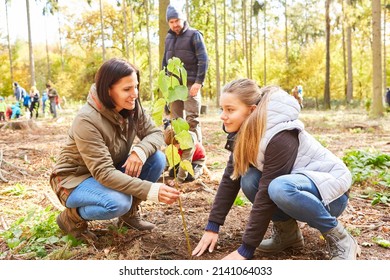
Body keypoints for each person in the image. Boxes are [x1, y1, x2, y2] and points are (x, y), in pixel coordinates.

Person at [192, 79, 360, 260]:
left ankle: (341, 238)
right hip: (295, 188)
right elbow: (230, 179)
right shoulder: (243, 132)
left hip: (330, 196)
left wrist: (246, 249)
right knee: (248, 178)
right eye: (222, 109)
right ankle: (288, 236)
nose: (223, 116)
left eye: (230, 110)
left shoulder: (280, 134)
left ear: (252, 110)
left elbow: (266, 192)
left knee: (278, 188)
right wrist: (213, 226)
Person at [49, 58, 180, 242]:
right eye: (127, 89)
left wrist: (139, 151)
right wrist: (150, 190)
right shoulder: (86, 120)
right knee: (118, 203)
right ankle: (71, 218)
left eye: (136, 86)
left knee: (156, 158)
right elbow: (103, 173)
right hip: (74, 180)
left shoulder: (131, 106)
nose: (134, 94)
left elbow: (155, 133)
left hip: (108, 169)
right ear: (108, 90)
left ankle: (128, 217)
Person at [162, 4, 208, 143]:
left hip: (190, 84)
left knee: (192, 120)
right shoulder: (168, 38)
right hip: (174, 86)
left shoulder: (194, 35)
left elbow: (203, 59)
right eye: (171, 22)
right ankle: (182, 153)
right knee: (176, 120)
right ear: (168, 23)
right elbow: (165, 62)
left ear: (183, 19)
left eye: (177, 20)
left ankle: (197, 156)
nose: (175, 24)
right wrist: (165, 88)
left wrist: (198, 82)